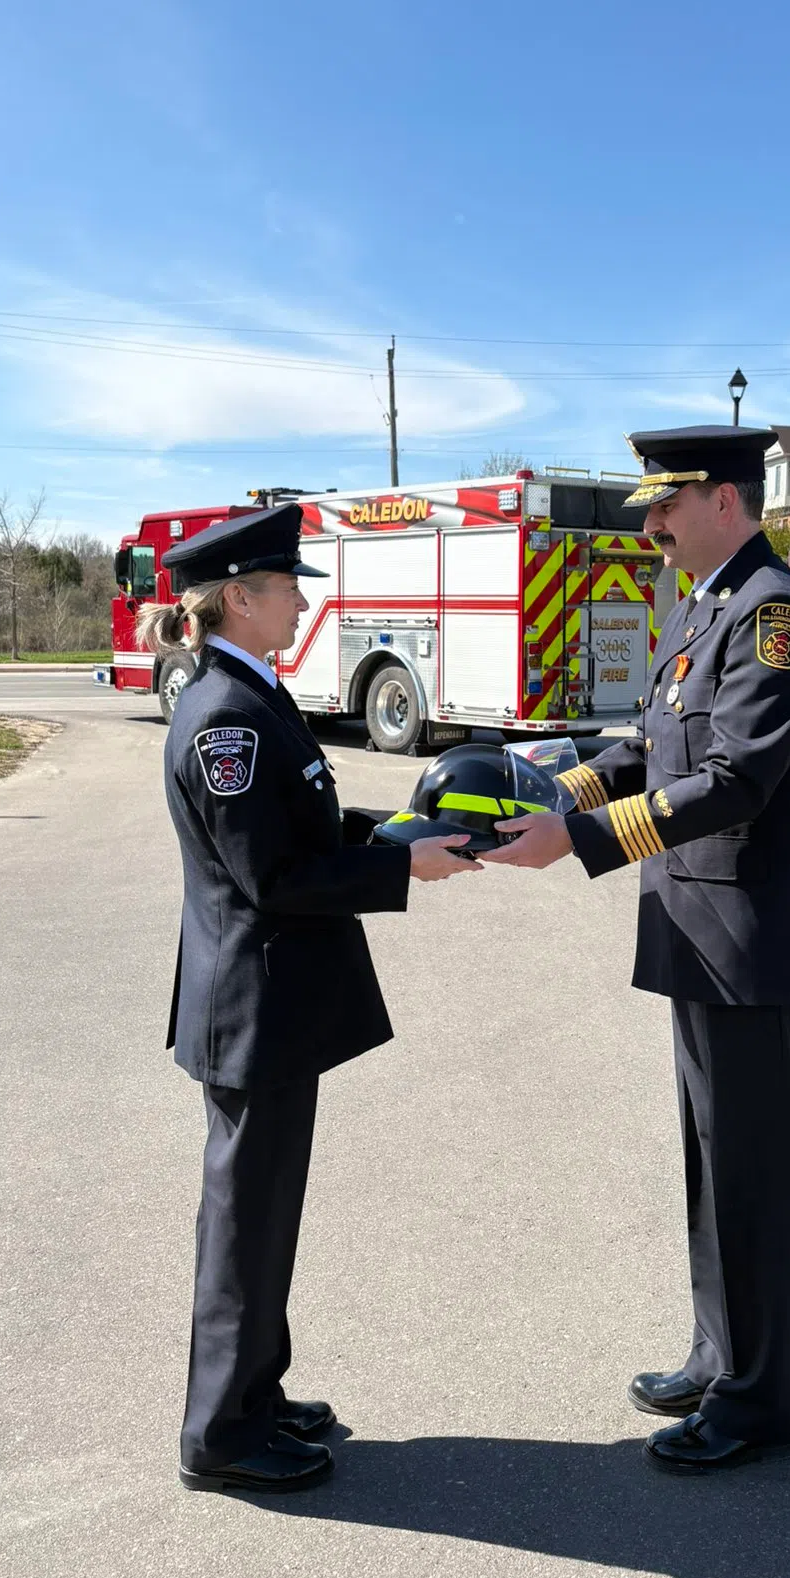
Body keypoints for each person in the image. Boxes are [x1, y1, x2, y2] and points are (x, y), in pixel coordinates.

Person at [483, 427, 790, 1473]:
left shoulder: (777, 612)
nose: (648, 527)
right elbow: (650, 742)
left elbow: (737, 779)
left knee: (760, 1180)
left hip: (762, 947)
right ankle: (720, 1352)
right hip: (706, 938)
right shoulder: (706, 607)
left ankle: (758, 1401)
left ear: (727, 501)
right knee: (712, 1163)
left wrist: (585, 840)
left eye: (665, 505)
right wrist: (558, 791)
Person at [139, 503, 478, 1497]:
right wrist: (400, 869)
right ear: (238, 597)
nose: (299, 602)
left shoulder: (251, 689)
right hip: (256, 1008)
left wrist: (400, 826)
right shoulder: (227, 717)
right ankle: (221, 1431)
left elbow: (310, 816)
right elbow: (274, 874)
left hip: (269, 1003)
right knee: (246, 1218)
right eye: (286, 587)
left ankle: (256, 1389)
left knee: (264, 1210)